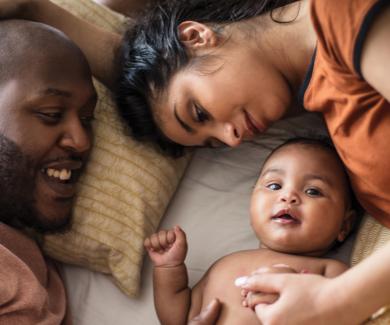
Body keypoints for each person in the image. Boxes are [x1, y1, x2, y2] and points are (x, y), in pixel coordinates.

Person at [2, 0, 389, 322]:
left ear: (196, 35)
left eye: (200, 113)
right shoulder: (314, 87)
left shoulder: (340, 16)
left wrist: (337, 301)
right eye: (215, 144)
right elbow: (153, 67)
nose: (232, 138)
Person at [144, 138, 359, 324]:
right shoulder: (224, 266)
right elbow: (178, 318)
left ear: (344, 225)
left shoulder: (331, 272)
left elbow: (349, 313)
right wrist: (169, 269)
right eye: (274, 186)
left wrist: (296, 287)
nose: (288, 196)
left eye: (313, 191)